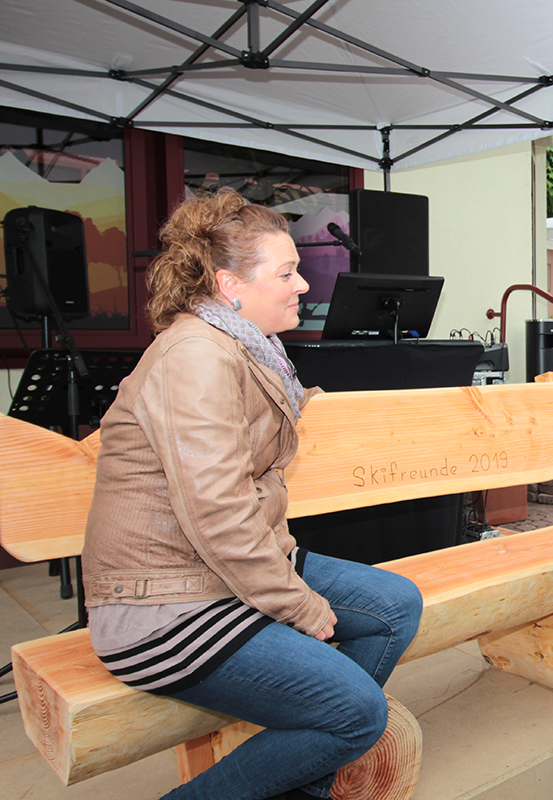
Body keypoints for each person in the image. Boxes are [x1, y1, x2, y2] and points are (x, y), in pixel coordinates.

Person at [81, 189, 423, 800]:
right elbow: (218, 513)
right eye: (286, 272)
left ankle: (296, 774)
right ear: (229, 284)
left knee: (394, 606)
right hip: (163, 603)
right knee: (355, 713)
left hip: (219, 571)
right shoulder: (194, 357)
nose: (304, 285)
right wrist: (299, 606)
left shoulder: (245, 347)